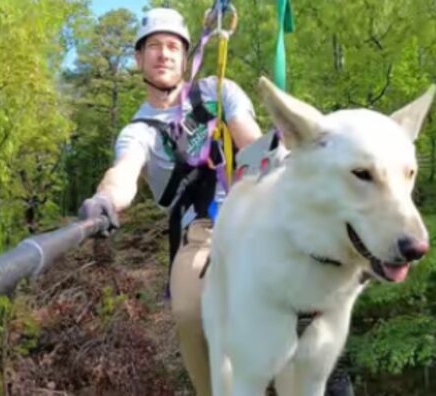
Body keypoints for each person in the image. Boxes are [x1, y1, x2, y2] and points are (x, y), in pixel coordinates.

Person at [78, 7, 354, 396]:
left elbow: (251, 146)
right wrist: (104, 198)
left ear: (186, 56)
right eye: (153, 46)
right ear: (138, 59)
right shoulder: (138, 131)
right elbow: (125, 171)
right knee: (190, 313)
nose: (164, 54)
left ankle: (323, 363)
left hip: (253, 215)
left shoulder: (216, 91)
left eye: (173, 46)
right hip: (201, 234)